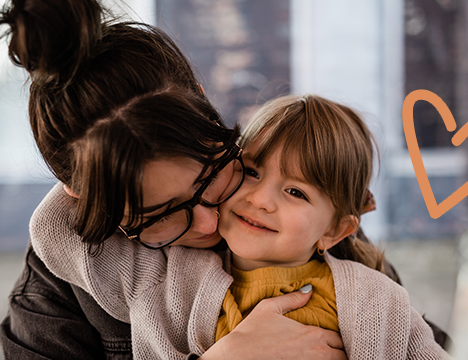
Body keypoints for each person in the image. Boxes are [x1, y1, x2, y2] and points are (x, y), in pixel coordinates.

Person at [0, 0, 346, 359]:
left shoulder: (300, 208)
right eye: (161, 216)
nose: (210, 221)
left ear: (203, 100)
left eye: (211, 175)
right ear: (80, 196)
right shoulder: (57, 290)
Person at [31, 94, 452, 359]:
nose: (260, 199)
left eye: (296, 193)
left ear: (336, 232)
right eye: (251, 172)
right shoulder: (166, 279)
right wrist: (92, 169)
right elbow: (54, 229)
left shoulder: (373, 298)